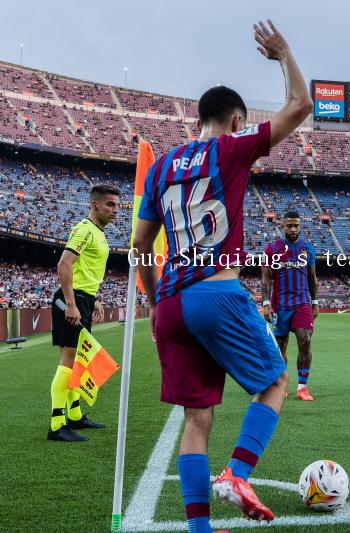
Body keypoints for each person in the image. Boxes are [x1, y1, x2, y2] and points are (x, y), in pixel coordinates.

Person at [133, 20, 312, 530]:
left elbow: (142, 244)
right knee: (276, 380)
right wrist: (283, 54)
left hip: (170, 303)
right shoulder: (230, 149)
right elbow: (300, 105)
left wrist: (151, 302)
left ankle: (199, 528)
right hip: (216, 291)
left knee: (197, 417)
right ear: (235, 120)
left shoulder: (163, 165)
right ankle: (237, 472)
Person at [48, 183, 119, 442]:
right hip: (73, 300)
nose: (115, 210)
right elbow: (64, 264)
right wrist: (70, 302)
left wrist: (94, 299)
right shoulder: (84, 230)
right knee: (68, 359)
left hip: (84, 299)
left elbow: (85, 271)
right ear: (94, 204)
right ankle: (57, 424)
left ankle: (75, 415)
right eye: (110, 204)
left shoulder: (99, 233)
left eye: (117, 206)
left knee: (80, 359)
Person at [262, 211, 319, 401]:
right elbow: (266, 279)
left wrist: (315, 302)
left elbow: (312, 277)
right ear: (282, 226)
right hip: (280, 304)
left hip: (302, 302)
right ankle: (282, 385)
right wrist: (266, 304)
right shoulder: (272, 249)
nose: (293, 229)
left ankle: (302, 387)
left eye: (296, 225)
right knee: (280, 346)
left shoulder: (307, 248)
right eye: (289, 225)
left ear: (300, 226)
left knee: (305, 340)